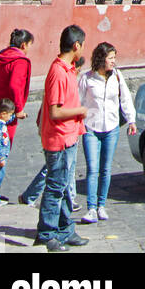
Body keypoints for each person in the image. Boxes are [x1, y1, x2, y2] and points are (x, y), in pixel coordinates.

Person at [34, 25, 89, 253]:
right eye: (82, 45)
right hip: (58, 138)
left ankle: (66, 229)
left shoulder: (69, 69)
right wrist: (79, 111)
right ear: (76, 46)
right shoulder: (58, 72)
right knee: (55, 187)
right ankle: (47, 233)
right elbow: (55, 111)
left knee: (66, 186)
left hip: (69, 136)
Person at [78, 42, 137, 224]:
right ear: (101, 59)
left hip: (111, 127)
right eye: (110, 58)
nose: (114, 61)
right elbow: (78, 102)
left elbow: (125, 99)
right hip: (91, 128)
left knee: (105, 169)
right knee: (93, 168)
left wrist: (131, 120)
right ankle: (91, 208)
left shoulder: (117, 77)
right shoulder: (86, 78)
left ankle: (101, 205)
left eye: (114, 58)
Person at [0, 29, 33, 205]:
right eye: (29, 46)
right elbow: (15, 85)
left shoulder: (1, 56)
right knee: (0, 154)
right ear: (24, 44)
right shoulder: (20, 61)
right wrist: (18, 109)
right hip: (6, 113)